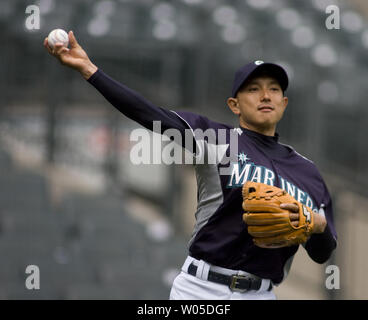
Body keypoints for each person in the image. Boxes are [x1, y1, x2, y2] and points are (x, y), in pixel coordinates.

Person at [44, 31, 337, 300]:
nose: (265, 95)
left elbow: (322, 253)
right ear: (234, 105)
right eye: (253, 89)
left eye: (274, 89)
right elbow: (147, 113)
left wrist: (319, 224)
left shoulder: (307, 172)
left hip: (260, 294)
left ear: (284, 103)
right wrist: (89, 71)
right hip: (200, 290)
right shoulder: (217, 139)